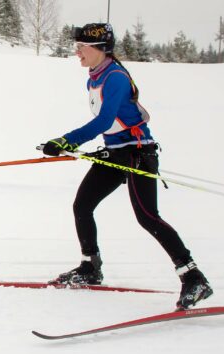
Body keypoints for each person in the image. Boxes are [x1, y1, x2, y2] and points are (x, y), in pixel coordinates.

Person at [39, 22, 213, 310]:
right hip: (116, 153)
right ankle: (90, 267)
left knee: (148, 217)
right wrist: (69, 143)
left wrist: (66, 140)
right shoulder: (94, 78)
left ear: (100, 48)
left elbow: (104, 121)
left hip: (138, 154)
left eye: (82, 47)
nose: (77, 52)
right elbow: (110, 125)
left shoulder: (115, 77)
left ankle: (194, 278)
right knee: (82, 205)